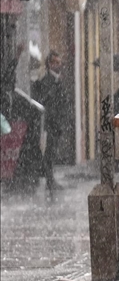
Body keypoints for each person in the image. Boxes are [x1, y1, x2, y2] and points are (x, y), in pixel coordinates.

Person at [31, 51, 73, 191]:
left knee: (52, 152)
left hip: (56, 123)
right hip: (50, 123)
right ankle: (49, 181)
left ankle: (51, 179)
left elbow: (63, 101)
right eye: (56, 62)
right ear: (50, 64)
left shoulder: (58, 80)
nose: (59, 65)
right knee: (49, 152)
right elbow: (46, 101)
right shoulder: (47, 81)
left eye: (60, 62)